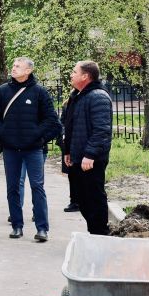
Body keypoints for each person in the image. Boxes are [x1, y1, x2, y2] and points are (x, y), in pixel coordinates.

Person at [0, 57, 63, 242]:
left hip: (33, 150)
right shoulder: (2, 91)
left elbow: (52, 121)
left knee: (37, 187)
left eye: (18, 66)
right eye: (13, 66)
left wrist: (38, 137)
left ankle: (42, 229)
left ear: (28, 70)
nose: (13, 69)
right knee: (13, 187)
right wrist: (4, 134)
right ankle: (16, 226)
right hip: (11, 149)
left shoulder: (39, 92)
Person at [62, 60, 113, 235]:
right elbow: (72, 126)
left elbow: (102, 130)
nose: (71, 74)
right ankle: (94, 234)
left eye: (74, 71)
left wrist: (90, 154)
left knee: (94, 197)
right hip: (78, 157)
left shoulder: (97, 96)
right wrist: (67, 151)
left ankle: (101, 235)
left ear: (85, 76)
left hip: (91, 159)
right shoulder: (78, 95)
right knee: (82, 199)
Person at [60, 85, 81, 214]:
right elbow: (62, 121)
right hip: (68, 143)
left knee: (80, 174)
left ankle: (81, 200)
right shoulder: (68, 103)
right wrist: (63, 134)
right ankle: (74, 201)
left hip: (80, 142)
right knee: (72, 174)